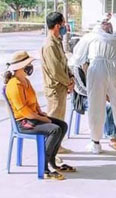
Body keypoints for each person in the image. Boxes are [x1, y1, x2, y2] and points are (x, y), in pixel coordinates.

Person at [5, 51, 75, 180]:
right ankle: (44, 168)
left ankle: (52, 162)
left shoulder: (25, 81)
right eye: (28, 64)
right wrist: (42, 119)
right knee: (54, 129)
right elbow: (24, 111)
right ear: (20, 67)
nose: (31, 66)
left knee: (62, 125)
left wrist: (40, 113)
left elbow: (34, 102)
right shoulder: (14, 85)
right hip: (24, 122)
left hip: (33, 117)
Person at [71, 17, 116, 154]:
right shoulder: (114, 40)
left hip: (97, 69)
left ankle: (95, 143)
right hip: (114, 69)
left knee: (96, 105)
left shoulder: (90, 37)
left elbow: (76, 57)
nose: (108, 25)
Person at [70, 62, 116, 151]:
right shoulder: (76, 67)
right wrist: (100, 95)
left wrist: (108, 93)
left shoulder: (95, 64)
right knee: (108, 106)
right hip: (85, 98)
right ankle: (112, 137)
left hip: (100, 93)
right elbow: (80, 89)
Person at [41, 12, 74, 154]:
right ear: (57, 26)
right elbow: (55, 71)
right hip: (55, 88)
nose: (65, 26)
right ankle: (48, 152)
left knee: (59, 119)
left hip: (61, 86)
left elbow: (63, 64)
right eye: (63, 23)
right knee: (53, 121)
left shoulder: (57, 41)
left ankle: (57, 147)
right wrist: (68, 82)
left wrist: (71, 77)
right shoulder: (49, 45)